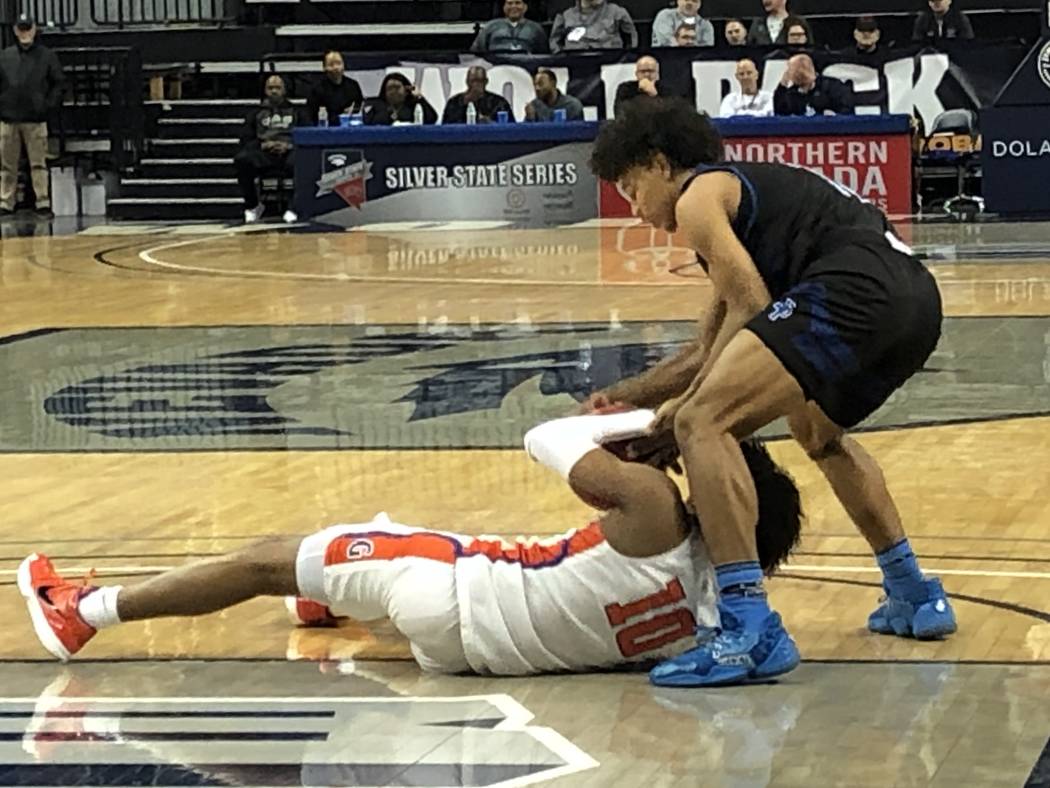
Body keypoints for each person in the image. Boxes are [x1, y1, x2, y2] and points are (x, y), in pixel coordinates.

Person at [588, 98, 956, 687]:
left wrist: (689, 406)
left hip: (853, 290)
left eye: (632, 188)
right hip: (915, 303)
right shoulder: (744, 199)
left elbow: (752, 308)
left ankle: (746, 629)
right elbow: (713, 345)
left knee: (703, 425)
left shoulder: (699, 197)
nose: (634, 210)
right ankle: (913, 591)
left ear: (660, 164)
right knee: (817, 431)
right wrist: (631, 394)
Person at [19, 410, 804, 679]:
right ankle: (325, 598)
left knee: (263, 558)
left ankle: (83, 611)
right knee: (388, 535)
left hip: (450, 591)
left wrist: (657, 427)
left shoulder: (657, 506)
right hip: (473, 652)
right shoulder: (725, 617)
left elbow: (545, 435)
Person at [0, 14, 64, 219]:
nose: (25, 33)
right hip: (8, 119)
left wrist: (46, 106)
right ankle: (5, 202)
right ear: (16, 30)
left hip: (35, 120)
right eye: (22, 28)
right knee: (7, 166)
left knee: (39, 164)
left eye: (28, 28)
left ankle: (42, 201)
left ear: (35, 29)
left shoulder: (47, 56)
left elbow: (58, 83)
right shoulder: (4, 56)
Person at [233, 75, 299, 225]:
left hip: (288, 152)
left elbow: (305, 134)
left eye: (278, 88)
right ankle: (253, 205)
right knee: (242, 160)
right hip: (264, 153)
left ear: (284, 90)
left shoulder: (296, 111)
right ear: (265, 91)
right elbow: (245, 139)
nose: (274, 91)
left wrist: (288, 145)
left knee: (303, 161)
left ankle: (294, 207)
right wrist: (262, 145)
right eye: (270, 88)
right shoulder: (255, 113)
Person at [774, 54, 853, 116]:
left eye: (797, 72)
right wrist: (782, 85)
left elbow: (847, 110)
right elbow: (780, 113)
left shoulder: (833, 86)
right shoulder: (792, 92)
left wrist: (834, 117)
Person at [550, 0, 638, 53]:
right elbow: (554, 41)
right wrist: (561, 58)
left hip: (610, 66)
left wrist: (627, 58)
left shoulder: (617, 12)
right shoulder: (565, 15)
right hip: (576, 64)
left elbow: (632, 37)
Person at [305, 51, 364, 125]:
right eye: (331, 64)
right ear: (324, 67)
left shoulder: (353, 86)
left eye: (339, 63)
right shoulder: (317, 89)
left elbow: (359, 109)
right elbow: (311, 115)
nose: (336, 68)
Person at [441, 66, 514, 124]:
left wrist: (490, 123)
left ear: (486, 82)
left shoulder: (498, 102)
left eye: (480, 81)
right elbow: (446, 126)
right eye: (473, 81)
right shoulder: (454, 102)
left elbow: (511, 126)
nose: (476, 85)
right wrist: (464, 105)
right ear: (467, 82)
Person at [471, 0, 549, 54]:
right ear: (504, 7)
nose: (513, 6)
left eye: (517, 3)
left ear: (525, 7)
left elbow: (543, 54)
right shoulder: (490, 26)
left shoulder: (536, 28)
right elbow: (477, 50)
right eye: (509, 3)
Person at [363, 72, 438, 126]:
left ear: (406, 90)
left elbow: (431, 119)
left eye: (397, 88)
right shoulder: (376, 106)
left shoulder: (413, 105)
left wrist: (419, 98)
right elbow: (368, 123)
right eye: (390, 88)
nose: (393, 92)